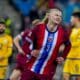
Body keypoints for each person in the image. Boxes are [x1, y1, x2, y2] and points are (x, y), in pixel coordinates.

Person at [17, 7, 71, 80]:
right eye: (56, 15)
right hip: (30, 68)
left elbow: (68, 45)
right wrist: (31, 52)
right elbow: (26, 44)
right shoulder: (38, 28)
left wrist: (63, 57)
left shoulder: (63, 33)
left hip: (48, 72)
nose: (59, 17)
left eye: (60, 16)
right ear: (48, 16)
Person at [63, 11, 80, 80]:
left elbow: (77, 43)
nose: (70, 20)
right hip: (69, 58)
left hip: (77, 59)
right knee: (65, 77)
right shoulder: (71, 30)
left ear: (76, 18)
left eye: (71, 18)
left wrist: (65, 45)